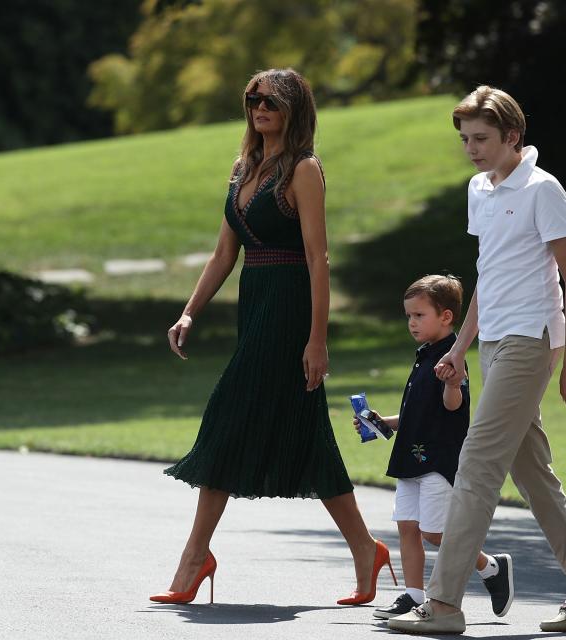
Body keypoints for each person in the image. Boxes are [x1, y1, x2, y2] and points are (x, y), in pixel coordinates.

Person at [151, 68, 395, 607]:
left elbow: (316, 258)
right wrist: (190, 311)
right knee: (306, 433)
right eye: (253, 99)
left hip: (289, 312)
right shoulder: (242, 169)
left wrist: (317, 340)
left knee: (226, 418)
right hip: (255, 304)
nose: (260, 107)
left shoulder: (304, 170)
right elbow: (223, 254)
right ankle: (365, 548)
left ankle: (195, 557)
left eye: (271, 101)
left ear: (293, 110)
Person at [388, 86, 566, 634]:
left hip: (532, 339)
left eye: (481, 138)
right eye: (465, 139)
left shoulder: (542, 189)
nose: (471, 148)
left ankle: (442, 604)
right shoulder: (478, 190)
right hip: (493, 342)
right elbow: (488, 276)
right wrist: (460, 349)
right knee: (531, 469)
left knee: (477, 464)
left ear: (513, 136)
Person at [353, 275, 514, 621]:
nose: (412, 322)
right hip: (410, 457)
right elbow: (417, 412)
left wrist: (454, 384)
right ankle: (413, 594)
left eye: (419, 315)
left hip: (438, 460)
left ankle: (491, 568)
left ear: (446, 317)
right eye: (409, 315)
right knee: (407, 526)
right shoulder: (425, 355)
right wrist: (383, 422)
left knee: (435, 533)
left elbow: (454, 406)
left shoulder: (453, 358)